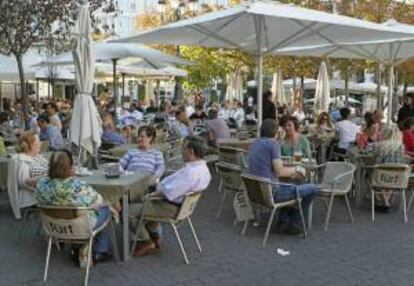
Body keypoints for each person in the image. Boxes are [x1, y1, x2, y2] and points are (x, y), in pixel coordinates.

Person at [130, 136, 211, 256]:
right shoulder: (203, 169)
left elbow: (167, 192)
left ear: (191, 151)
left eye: (183, 148)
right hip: (183, 207)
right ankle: (154, 236)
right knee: (143, 206)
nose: (181, 151)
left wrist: (149, 196)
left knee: (128, 211)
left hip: (170, 207)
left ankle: (146, 242)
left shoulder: (191, 173)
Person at [36, 150, 113, 267]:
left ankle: (78, 246)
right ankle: (100, 251)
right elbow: (98, 200)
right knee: (105, 209)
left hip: (54, 227)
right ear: (70, 166)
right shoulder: (77, 186)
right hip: (79, 227)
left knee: (82, 211)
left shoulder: (42, 185)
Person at [248, 119, 316, 234]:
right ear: (276, 132)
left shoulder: (255, 143)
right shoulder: (273, 144)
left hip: (257, 194)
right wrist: (297, 169)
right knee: (312, 188)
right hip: (272, 194)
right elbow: (280, 172)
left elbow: (276, 170)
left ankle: (283, 220)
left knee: (290, 186)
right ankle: (295, 223)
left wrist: (290, 173)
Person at [373, 125, 406, 211]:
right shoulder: (401, 147)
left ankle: (385, 202)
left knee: (372, 176)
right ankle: (386, 201)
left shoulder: (379, 146)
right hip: (397, 178)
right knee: (391, 178)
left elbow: (377, 162)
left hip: (381, 177)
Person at [15, 131, 48, 208]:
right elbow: (23, 183)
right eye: (38, 141)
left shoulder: (36, 156)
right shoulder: (23, 160)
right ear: (31, 145)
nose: (41, 143)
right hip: (35, 197)